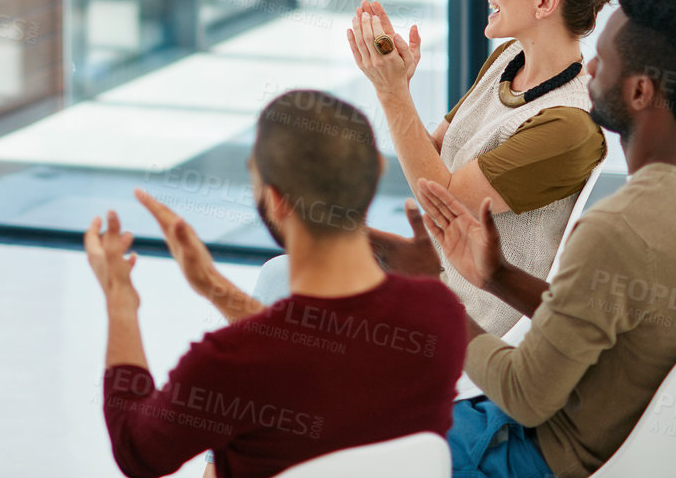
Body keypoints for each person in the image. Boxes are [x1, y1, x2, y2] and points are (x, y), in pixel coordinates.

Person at [419, 0, 676, 478]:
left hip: (543, 458)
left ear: (639, 91)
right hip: (640, 447)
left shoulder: (617, 228)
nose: (588, 67)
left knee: (353, 429)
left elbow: (523, 397)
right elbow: (609, 312)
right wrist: (496, 275)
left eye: (602, 61)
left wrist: (435, 299)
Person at [86, 89, 468, 478]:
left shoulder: (227, 364)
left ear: (276, 200)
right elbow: (322, 357)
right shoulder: (441, 315)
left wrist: (120, 300)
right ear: (375, 176)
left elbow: (137, 452)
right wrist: (214, 286)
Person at [341, 0, 629, 335]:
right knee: (287, 273)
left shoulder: (568, 126)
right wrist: (395, 81)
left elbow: (444, 200)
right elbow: (434, 155)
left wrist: (392, 92)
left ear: (545, 1)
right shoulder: (508, 59)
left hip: (471, 326)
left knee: (289, 290)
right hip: (432, 285)